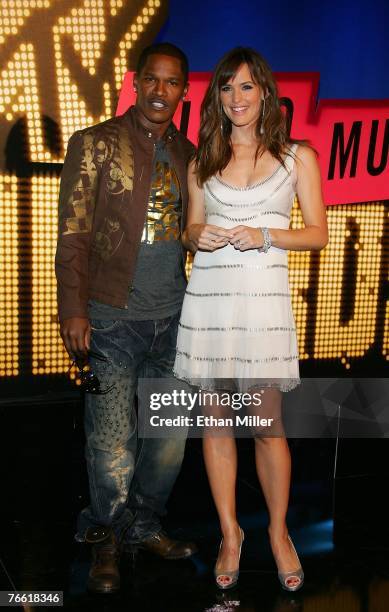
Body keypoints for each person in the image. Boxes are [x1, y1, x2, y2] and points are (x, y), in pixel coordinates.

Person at [173, 47, 328, 591]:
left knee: (267, 426)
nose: (235, 98)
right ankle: (230, 534)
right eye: (225, 88)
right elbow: (189, 230)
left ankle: (279, 533)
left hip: (262, 307)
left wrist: (266, 235)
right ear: (215, 96)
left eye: (245, 87)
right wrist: (198, 235)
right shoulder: (201, 162)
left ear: (265, 92)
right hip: (210, 304)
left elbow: (317, 234)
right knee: (216, 426)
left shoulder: (296, 157)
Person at [55, 42, 197, 594]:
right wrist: (72, 307)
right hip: (112, 318)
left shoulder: (190, 154)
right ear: (137, 82)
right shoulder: (94, 144)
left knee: (167, 440)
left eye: (173, 83)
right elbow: (73, 233)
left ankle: (142, 524)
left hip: (175, 319)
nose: (162, 92)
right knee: (111, 442)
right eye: (153, 81)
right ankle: (106, 537)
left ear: (184, 90)